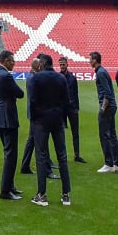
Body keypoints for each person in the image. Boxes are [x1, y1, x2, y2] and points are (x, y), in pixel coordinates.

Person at [29, 54, 73, 207]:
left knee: (41, 156)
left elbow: (32, 101)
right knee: (62, 156)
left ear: (43, 63)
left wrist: (35, 118)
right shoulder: (61, 78)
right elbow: (67, 101)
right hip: (57, 119)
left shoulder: (37, 78)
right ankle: (66, 194)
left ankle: (42, 195)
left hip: (41, 120)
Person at [0, 50, 26, 200]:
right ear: (5, 61)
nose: (14, 63)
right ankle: (5, 191)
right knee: (11, 155)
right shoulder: (6, 76)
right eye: (12, 61)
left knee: (8, 153)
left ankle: (10, 186)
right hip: (8, 119)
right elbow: (20, 93)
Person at [21, 58, 57, 179]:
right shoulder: (33, 78)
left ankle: (25, 165)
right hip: (37, 115)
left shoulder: (32, 77)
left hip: (34, 114)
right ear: (37, 66)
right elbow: (34, 99)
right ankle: (46, 170)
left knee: (32, 140)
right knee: (41, 143)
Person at [90, 51, 118, 173]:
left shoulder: (101, 73)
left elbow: (107, 93)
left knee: (105, 135)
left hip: (107, 107)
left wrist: (102, 109)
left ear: (95, 60)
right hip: (112, 106)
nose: (89, 62)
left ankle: (109, 163)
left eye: (90, 59)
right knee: (112, 135)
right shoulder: (102, 71)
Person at [58, 56, 85, 163]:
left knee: (75, 132)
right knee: (60, 133)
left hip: (72, 108)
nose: (62, 66)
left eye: (63, 64)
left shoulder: (72, 78)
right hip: (61, 109)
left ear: (67, 64)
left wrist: (77, 107)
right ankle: (62, 155)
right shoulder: (58, 77)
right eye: (60, 64)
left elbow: (75, 93)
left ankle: (77, 155)